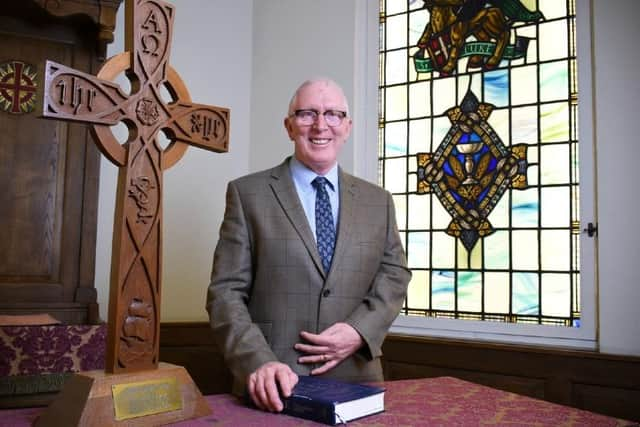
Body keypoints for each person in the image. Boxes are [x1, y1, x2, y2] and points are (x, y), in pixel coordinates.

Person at [206, 78, 410, 413]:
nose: (320, 126)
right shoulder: (248, 194)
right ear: (289, 126)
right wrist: (258, 362)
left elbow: (395, 276)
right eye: (307, 114)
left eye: (332, 115)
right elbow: (225, 292)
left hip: (358, 380)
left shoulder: (379, 201)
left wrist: (360, 331)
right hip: (274, 384)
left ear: (347, 127)